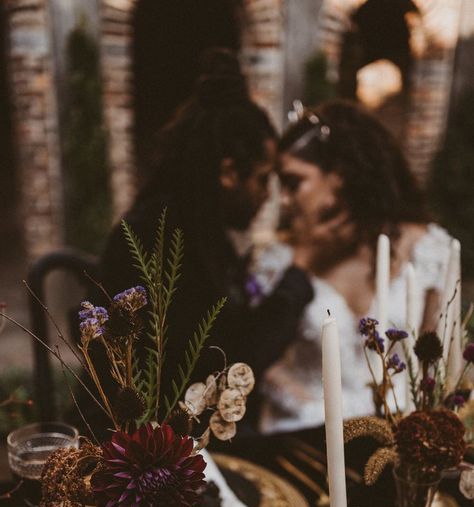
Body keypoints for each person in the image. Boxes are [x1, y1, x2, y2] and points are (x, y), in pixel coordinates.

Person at [95, 49, 317, 426]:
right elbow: (227, 364)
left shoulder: (197, 225)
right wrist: (299, 276)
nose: (268, 195)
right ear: (229, 171)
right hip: (145, 443)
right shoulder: (159, 238)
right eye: (263, 178)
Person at [257, 99, 455, 434]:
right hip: (301, 430)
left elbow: (435, 358)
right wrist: (315, 409)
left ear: (341, 175)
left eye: (293, 182)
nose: (285, 200)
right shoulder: (278, 258)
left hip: (399, 431)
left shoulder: (426, 248)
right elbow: (260, 360)